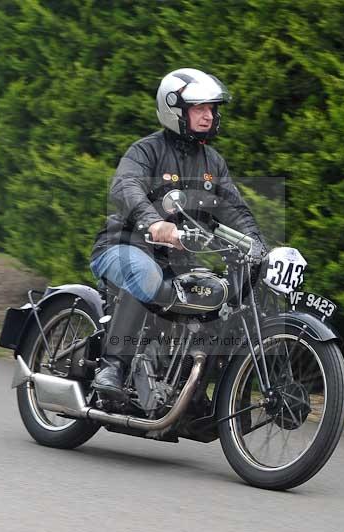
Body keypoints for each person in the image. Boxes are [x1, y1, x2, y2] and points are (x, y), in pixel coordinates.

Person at [89, 67, 266, 401]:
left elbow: (233, 208)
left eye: (211, 109)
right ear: (175, 110)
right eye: (199, 108)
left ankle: (190, 388)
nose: (208, 115)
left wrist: (257, 244)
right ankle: (112, 366)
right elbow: (126, 185)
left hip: (177, 260)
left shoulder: (213, 163)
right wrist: (153, 221)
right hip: (124, 246)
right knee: (145, 274)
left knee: (214, 295)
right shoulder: (146, 151)